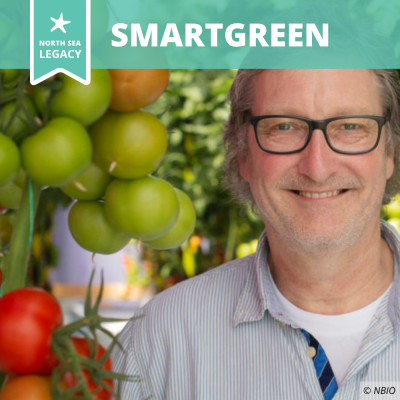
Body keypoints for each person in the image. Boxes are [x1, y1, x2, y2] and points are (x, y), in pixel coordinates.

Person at [111, 69, 400, 400]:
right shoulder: (160, 338)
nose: (318, 167)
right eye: (284, 127)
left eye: (350, 126)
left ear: (389, 152)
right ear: (243, 154)